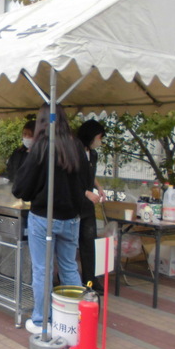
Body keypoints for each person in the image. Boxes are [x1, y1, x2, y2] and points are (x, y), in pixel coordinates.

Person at [12, 104, 88, 335]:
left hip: (43, 218)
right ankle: (76, 319)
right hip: (72, 218)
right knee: (69, 268)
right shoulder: (76, 146)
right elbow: (85, 182)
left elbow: (21, 188)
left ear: (41, 122)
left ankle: (41, 321)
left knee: (42, 270)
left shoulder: (42, 147)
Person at [77, 119, 107, 293]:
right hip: (74, 204)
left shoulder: (93, 154)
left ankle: (90, 280)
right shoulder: (75, 152)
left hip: (88, 205)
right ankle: (68, 278)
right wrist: (85, 193)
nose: (100, 141)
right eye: (100, 137)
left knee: (89, 243)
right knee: (70, 244)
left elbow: (90, 173)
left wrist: (98, 186)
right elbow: (71, 178)